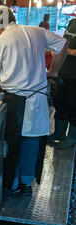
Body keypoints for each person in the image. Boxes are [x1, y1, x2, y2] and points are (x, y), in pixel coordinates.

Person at [0, 6, 68, 196]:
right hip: (37, 98)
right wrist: (53, 71)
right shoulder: (37, 31)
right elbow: (63, 44)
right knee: (32, 141)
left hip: (16, 101)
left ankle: (11, 185)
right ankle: (26, 183)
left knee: (13, 143)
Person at [49, 18, 76, 147]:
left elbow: (66, 47)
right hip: (63, 72)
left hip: (75, 75)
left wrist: (68, 51)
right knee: (60, 103)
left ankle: (72, 139)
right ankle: (59, 133)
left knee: (73, 106)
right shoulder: (72, 22)